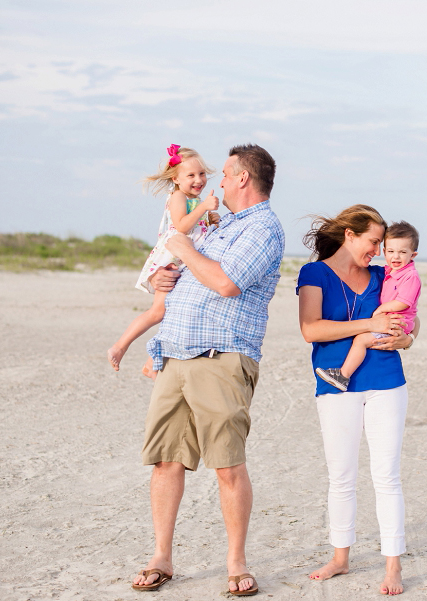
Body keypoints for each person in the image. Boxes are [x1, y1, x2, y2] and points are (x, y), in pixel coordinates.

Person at [130, 144, 284, 596]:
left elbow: (225, 282)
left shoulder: (262, 229)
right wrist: (166, 280)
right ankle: (162, 556)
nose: (215, 182)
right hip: (175, 355)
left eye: (225, 174)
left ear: (242, 178)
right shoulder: (220, 225)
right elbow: (191, 273)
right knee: (165, 460)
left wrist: (180, 245)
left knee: (227, 464)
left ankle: (236, 564)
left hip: (221, 357)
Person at [296, 205, 419, 596]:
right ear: (350, 236)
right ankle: (340, 558)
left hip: (387, 382)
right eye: (373, 242)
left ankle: (393, 566)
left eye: (382, 244)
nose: (379, 250)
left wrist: (408, 338)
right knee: (341, 477)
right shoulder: (314, 274)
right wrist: (371, 324)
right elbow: (311, 330)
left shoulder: (385, 274)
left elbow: (413, 316)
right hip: (335, 386)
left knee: (386, 476)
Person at [107, 144, 220, 371]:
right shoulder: (179, 196)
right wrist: (204, 208)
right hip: (171, 259)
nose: (198, 179)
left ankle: (152, 364)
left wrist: (210, 218)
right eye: (191, 175)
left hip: (185, 260)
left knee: (175, 311)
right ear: (176, 179)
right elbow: (181, 226)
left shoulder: (194, 200)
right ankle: (120, 346)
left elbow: (196, 228)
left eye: (201, 174)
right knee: (158, 312)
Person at [315, 221, 421, 392]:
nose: (396, 257)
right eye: (391, 251)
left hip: (396, 325)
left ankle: (343, 375)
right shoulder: (387, 273)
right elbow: (310, 331)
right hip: (393, 322)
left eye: (402, 252)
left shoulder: (409, 276)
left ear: (413, 255)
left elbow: (406, 304)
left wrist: (407, 338)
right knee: (363, 339)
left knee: (362, 340)